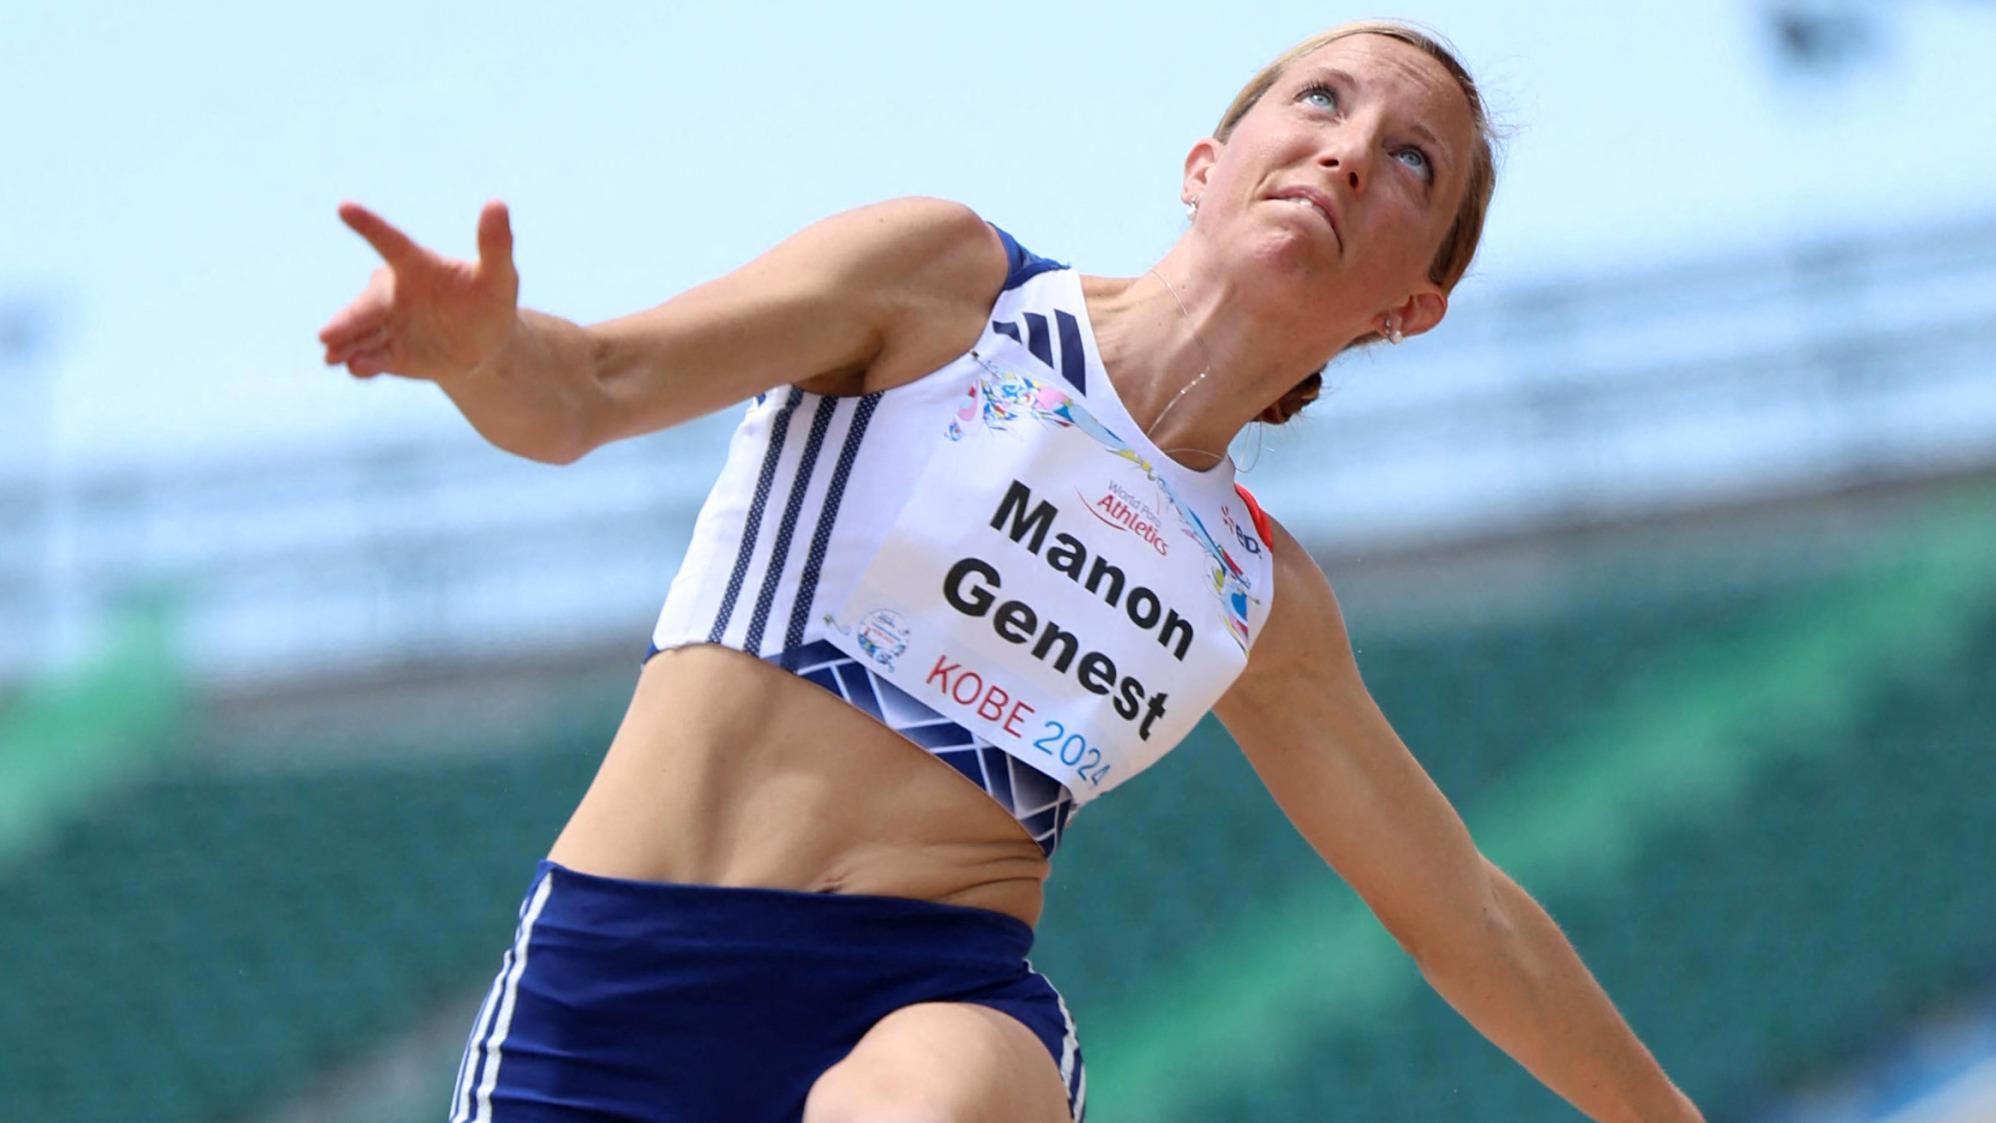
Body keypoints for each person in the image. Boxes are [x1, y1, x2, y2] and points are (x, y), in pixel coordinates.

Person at [318, 20, 1704, 1123]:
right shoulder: (942, 290)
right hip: (616, 991)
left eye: (1415, 163)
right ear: (1205, 163)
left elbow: (1462, 915)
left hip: (924, 1012)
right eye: (1324, 101)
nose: (1351, 152)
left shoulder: (1258, 603)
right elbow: (584, 392)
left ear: (1414, 309)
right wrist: (484, 352)